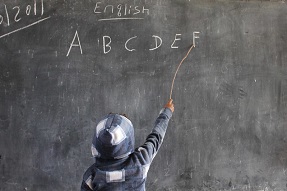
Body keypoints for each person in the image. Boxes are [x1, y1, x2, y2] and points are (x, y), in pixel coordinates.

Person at [81, 99, 174, 191]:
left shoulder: (91, 176)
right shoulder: (140, 161)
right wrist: (166, 112)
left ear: (96, 143)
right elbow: (156, 136)